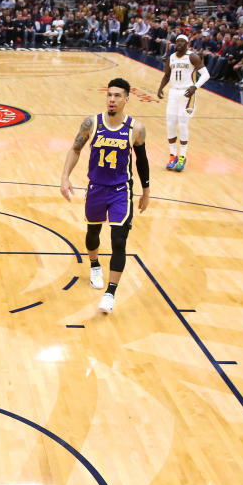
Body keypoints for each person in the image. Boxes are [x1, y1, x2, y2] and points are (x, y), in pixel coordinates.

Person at [60, 78, 151, 314]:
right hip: (96, 188)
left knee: (119, 240)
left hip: (121, 191)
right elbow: (76, 148)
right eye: (109, 95)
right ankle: (94, 265)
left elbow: (141, 161)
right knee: (93, 234)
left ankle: (110, 292)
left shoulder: (136, 129)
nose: (112, 99)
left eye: (117, 95)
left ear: (127, 99)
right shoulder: (92, 123)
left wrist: (146, 191)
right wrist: (65, 177)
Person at [157, 34, 209, 172]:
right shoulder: (171, 57)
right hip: (173, 92)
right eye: (177, 41)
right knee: (170, 124)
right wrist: (160, 88)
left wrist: (195, 87)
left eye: (182, 41)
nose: (179, 43)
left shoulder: (193, 56)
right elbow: (167, 75)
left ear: (187, 44)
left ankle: (182, 156)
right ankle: (172, 155)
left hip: (187, 93)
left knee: (182, 123)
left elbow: (206, 74)